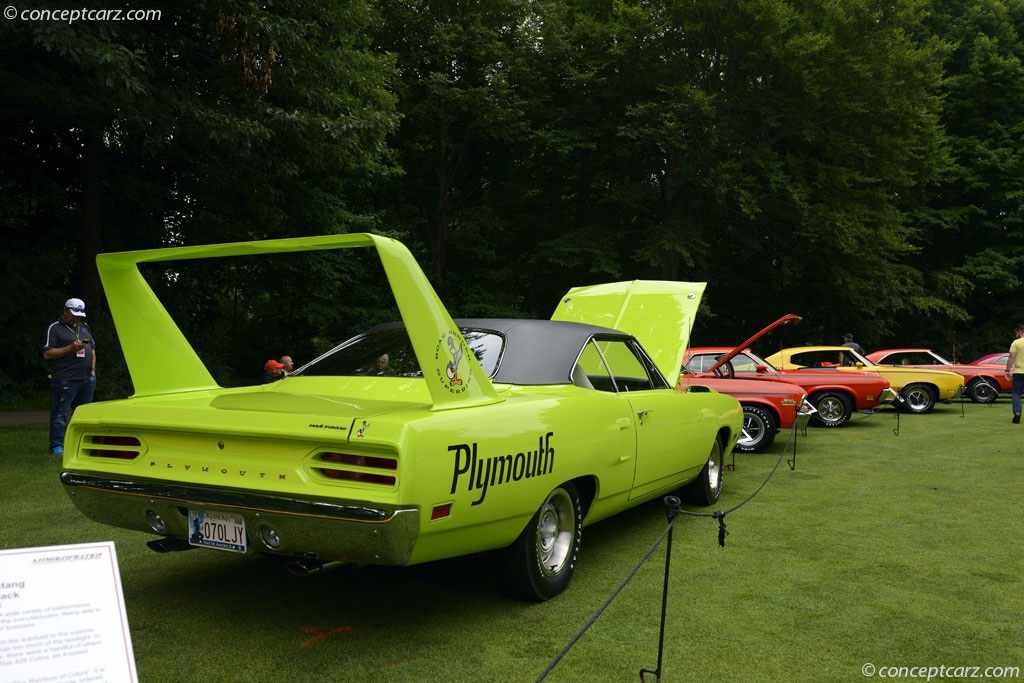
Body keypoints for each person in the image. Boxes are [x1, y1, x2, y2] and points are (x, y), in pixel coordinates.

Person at [42, 297, 96, 456]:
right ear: (65, 311)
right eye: (73, 314)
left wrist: (93, 371)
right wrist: (70, 348)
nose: (76, 318)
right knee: (60, 413)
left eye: (79, 315)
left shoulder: (84, 327)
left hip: (87, 378)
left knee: (83, 414)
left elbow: (92, 349)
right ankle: (56, 445)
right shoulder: (55, 328)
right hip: (65, 379)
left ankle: (80, 443)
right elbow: (47, 354)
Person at [1004, 324, 1024, 423]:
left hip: (1019, 372)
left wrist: (1007, 370)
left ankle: (1017, 412)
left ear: (1021, 331)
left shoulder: (1016, 343)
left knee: (1016, 393)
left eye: (1017, 332)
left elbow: (1011, 357)